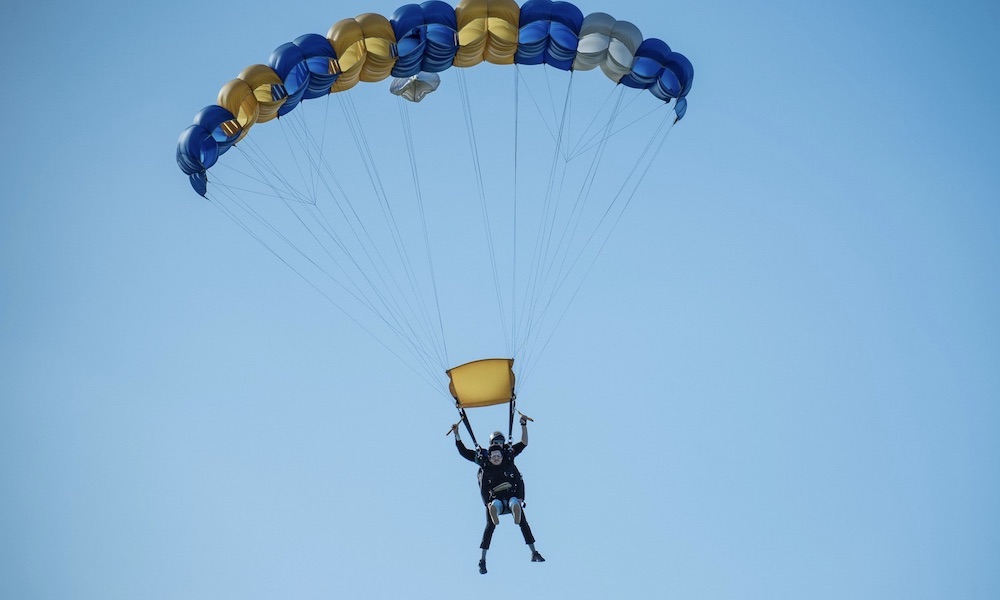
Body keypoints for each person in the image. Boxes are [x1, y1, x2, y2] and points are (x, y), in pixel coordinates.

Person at [452, 415, 545, 574]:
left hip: (511, 496)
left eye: (501, 445)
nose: (498, 451)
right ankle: (483, 560)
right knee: (491, 522)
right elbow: (464, 452)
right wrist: (457, 434)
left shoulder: (508, 456)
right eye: (496, 445)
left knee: (519, 513)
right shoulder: (484, 459)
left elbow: (523, 443)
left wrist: (523, 425)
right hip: (493, 499)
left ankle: (533, 552)